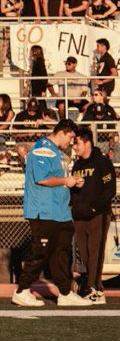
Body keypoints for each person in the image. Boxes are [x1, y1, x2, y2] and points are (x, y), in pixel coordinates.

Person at [11, 120, 93, 307]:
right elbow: (42, 179)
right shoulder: (43, 149)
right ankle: (22, 290)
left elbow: (57, 178)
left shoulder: (56, 151)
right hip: (44, 210)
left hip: (59, 211)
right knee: (40, 252)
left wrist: (72, 181)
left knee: (62, 253)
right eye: (71, 137)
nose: (71, 142)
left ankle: (64, 292)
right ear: (62, 132)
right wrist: (66, 181)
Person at [69, 126, 114, 304]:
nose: (74, 147)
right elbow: (73, 191)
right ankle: (91, 286)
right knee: (85, 254)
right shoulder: (77, 165)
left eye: (77, 143)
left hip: (98, 215)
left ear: (87, 143)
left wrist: (94, 208)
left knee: (95, 253)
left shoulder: (102, 162)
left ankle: (95, 289)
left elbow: (110, 190)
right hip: (79, 216)